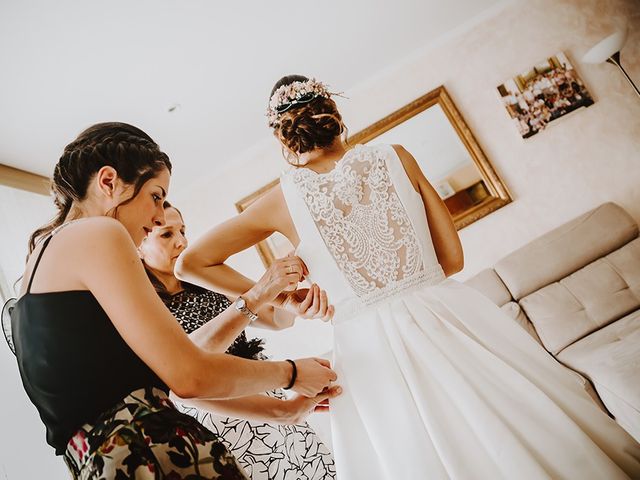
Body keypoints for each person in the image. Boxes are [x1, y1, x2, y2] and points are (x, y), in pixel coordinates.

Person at [176, 76, 640, 479]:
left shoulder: (279, 200)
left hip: (367, 347)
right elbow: (452, 260)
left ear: (283, 139)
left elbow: (190, 263)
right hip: (448, 315)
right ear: (334, 116)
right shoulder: (396, 156)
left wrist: (275, 296)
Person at [8, 122, 337, 479]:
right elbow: (189, 374)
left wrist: (284, 412)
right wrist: (289, 374)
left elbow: (166, 382)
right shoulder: (99, 233)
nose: (159, 216)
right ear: (108, 182)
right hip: (156, 453)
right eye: (156, 196)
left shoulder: (36, 269)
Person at [138, 202, 338, 479]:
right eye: (167, 234)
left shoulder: (208, 283)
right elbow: (188, 362)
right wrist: (259, 294)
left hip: (266, 390)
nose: (181, 242)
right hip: (219, 415)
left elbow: (276, 320)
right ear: (139, 243)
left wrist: (287, 295)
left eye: (183, 231)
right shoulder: (144, 309)